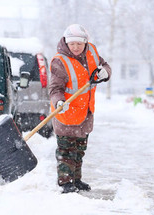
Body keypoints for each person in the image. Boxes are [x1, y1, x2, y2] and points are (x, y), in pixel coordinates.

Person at [49, 24, 111, 193]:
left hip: (85, 112)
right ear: (66, 43)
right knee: (66, 151)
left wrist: (105, 72)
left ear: (85, 42)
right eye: (72, 44)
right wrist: (59, 102)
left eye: (79, 43)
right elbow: (55, 89)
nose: (75, 47)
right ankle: (65, 182)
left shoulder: (91, 51)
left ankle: (76, 179)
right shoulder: (60, 62)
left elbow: (104, 65)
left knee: (79, 150)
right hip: (66, 113)